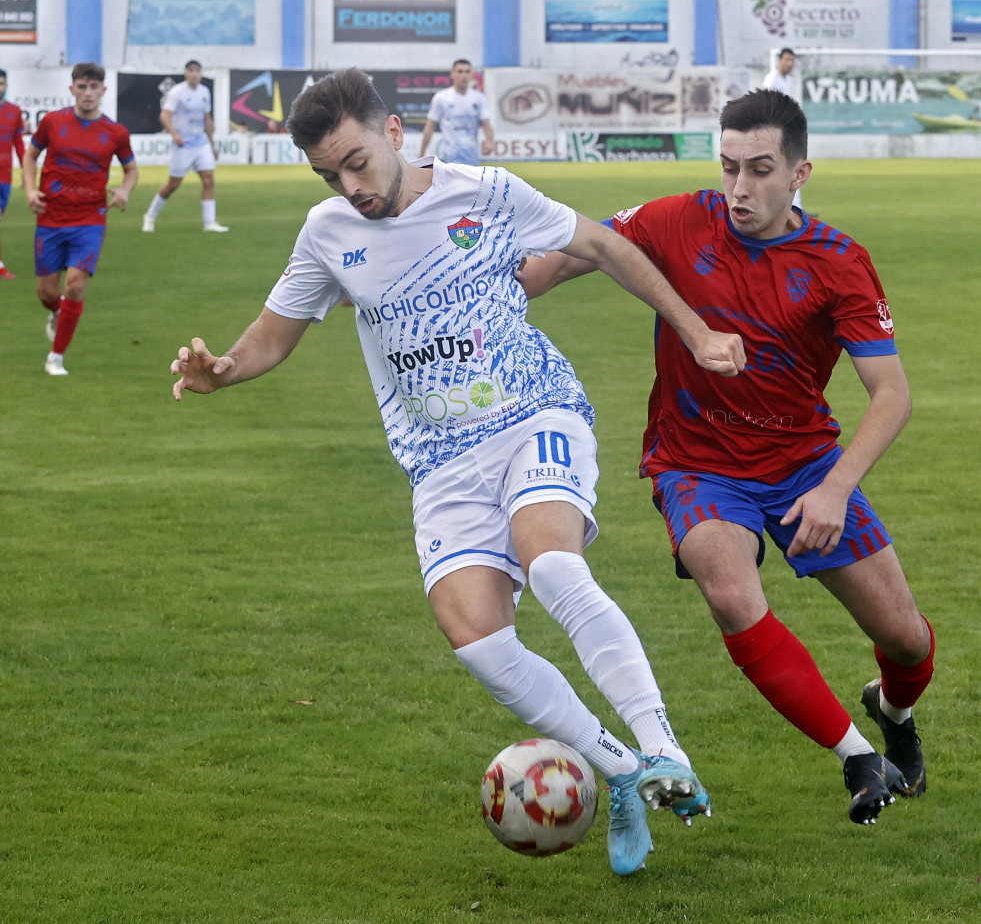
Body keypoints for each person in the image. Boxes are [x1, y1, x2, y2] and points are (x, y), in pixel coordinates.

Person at [171, 68, 746, 875]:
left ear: (396, 131)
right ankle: (618, 768)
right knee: (475, 637)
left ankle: (661, 743)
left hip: (532, 413)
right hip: (439, 460)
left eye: (356, 160)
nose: (349, 185)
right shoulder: (329, 230)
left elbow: (604, 244)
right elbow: (274, 331)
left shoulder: (488, 193)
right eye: (328, 174)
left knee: (550, 559)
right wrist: (223, 369)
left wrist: (693, 333)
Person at [518, 87, 934, 827]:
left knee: (904, 637)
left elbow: (890, 394)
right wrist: (484, 290)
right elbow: (571, 253)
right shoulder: (678, 219)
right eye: (728, 166)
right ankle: (854, 755)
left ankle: (891, 712)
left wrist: (835, 489)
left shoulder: (839, 263)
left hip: (805, 465)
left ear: (800, 171)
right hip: (696, 463)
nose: (739, 188)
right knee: (729, 590)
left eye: (760, 169)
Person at [22, 62, 138, 377]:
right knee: (47, 293)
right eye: (82, 86)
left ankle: (56, 357)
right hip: (50, 218)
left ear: (103, 90)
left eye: (94, 87)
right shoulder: (52, 122)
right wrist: (31, 190)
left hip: (90, 219)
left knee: (75, 286)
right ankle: (57, 311)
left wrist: (125, 191)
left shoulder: (116, 132)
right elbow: (30, 156)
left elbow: (131, 170)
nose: (88, 93)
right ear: (72, 89)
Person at [142, 60, 227, 233]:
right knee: (173, 184)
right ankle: (150, 215)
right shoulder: (177, 92)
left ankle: (209, 222)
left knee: (208, 178)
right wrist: (175, 134)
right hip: (183, 144)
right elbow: (164, 116)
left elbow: (207, 119)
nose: (194, 73)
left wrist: (211, 144)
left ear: (201, 73)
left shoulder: (204, 92)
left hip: (201, 142)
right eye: (191, 70)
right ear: (186, 73)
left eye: (197, 70)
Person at [419, 59, 494, 165]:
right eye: (460, 71)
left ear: (472, 74)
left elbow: (486, 123)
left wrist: (489, 141)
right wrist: (422, 154)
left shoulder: (479, 98)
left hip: (473, 158)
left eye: (467, 72)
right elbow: (430, 126)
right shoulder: (441, 98)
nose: (464, 75)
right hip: (450, 157)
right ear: (452, 74)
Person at [762, 49, 805, 211]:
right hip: (775, 131)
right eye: (787, 59)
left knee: (794, 164)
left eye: (792, 60)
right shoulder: (772, 79)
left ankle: (795, 205)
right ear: (780, 60)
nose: (789, 63)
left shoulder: (788, 80)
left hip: (786, 129)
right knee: (780, 165)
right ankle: (774, 204)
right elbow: (767, 105)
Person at [0, 68, 25, 279]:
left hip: (5, 176)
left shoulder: (14, 111)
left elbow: (18, 143)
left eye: (1, 83)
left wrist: (26, 170)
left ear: (6, 86)